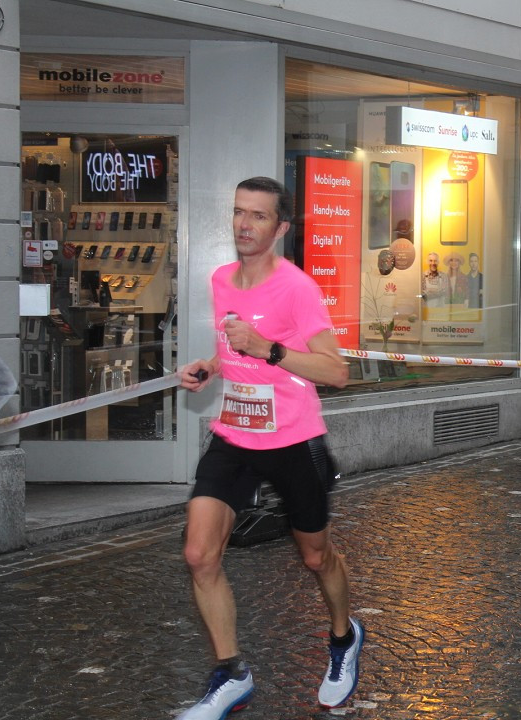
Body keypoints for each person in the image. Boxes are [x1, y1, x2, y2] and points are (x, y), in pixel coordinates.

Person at [177, 177, 362, 719]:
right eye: (238, 213)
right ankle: (232, 674)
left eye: (258, 216)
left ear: (280, 228)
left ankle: (344, 636)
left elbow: (336, 371)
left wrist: (271, 350)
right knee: (198, 554)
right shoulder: (219, 280)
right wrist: (209, 368)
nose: (244, 225)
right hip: (235, 434)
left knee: (314, 556)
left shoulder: (298, 288)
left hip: (293, 439)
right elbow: (228, 347)